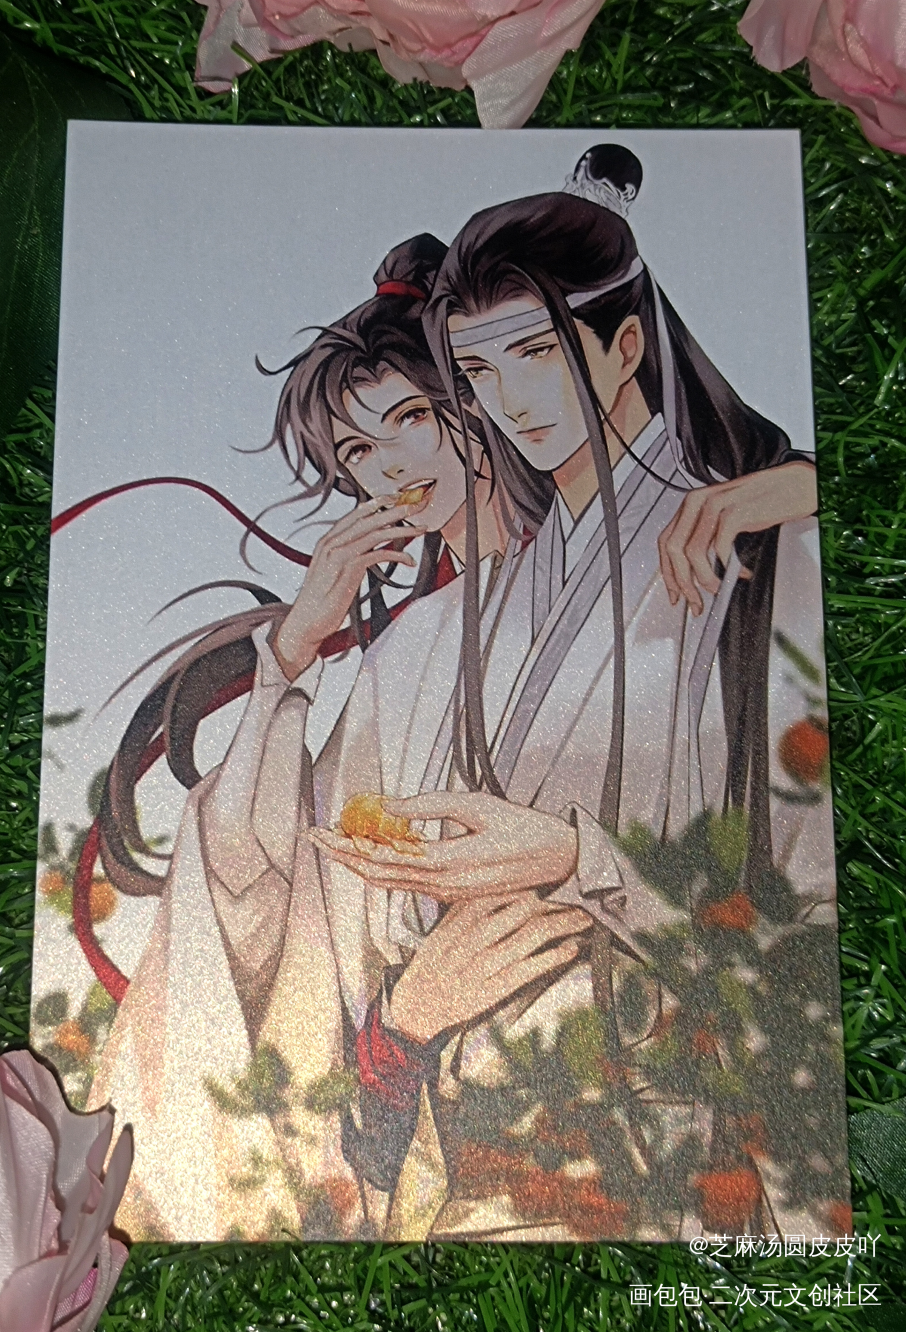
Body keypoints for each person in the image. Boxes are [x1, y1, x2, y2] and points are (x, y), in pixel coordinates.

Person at [308, 147, 841, 1239]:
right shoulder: (482, 602)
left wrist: (573, 859)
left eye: (538, 353)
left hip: (668, 1165)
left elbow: (813, 916)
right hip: (475, 1163)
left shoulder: (758, 548)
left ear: (627, 344)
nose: (511, 402)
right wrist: (406, 1010)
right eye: (478, 372)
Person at [86, 234, 554, 1241]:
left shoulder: (607, 576)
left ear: (477, 399)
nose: (391, 467)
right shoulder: (406, 654)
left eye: (411, 419)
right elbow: (265, 882)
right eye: (358, 453)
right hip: (445, 1072)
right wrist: (293, 649)